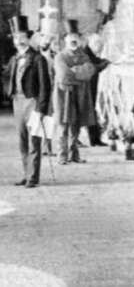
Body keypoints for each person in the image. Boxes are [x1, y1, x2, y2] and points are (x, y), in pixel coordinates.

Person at [6, 16, 51, 188]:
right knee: (22, 140)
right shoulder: (15, 59)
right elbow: (6, 76)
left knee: (34, 140)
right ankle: (26, 174)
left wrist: (41, 108)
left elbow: (45, 86)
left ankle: (33, 177)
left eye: (23, 37)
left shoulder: (38, 59)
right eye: (17, 38)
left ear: (29, 38)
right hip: (17, 102)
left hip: (32, 102)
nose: (20, 41)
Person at [52, 19, 97, 165]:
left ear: (79, 39)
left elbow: (90, 72)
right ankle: (62, 155)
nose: (73, 39)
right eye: (70, 37)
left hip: (79, 94)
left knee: (76, 125)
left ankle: (74, 154)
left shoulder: (84, 56)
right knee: (63, 125)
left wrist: (75, 73)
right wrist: (80, 74)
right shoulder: (60, 57)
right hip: (63, 95)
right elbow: (64, 76)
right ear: (65, 39)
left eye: (76, 37)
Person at [82, 33, 110, 146]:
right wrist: (103, 65)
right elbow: (92, 68)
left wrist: (104, 61)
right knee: (89, 112)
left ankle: (94, 139)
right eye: (100, 47)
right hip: (86, 88)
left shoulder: (88, 52)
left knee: (90, 112)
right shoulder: (85, 53)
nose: (101, 49)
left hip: (89, 88)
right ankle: (94, 140)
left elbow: (95, 60)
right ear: (95, 44)